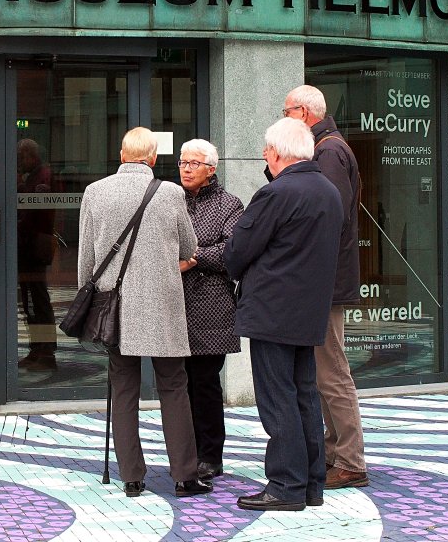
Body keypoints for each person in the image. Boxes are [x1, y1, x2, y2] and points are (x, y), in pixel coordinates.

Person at [77, 127, 212, 499]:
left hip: (115, 306)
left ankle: (132, 477)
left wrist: (89, 295)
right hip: (163, 305)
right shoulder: (170, 193)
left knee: (123, 388)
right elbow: (190, 246)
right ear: (153, 158)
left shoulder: (95, 192)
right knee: (174, 387)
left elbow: (86, 258)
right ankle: (185, 476)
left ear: (122, 155)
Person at [225, 117, 343, 511]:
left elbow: (238, 249)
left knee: (277, 400)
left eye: (266, 151)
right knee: (304, 396)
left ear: (276, 152)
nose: (264, 156)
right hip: (310, 311)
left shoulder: (277, 193)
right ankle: (311, 485)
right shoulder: (328, 191)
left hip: (274, 311)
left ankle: (285, 486)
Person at [283, 85, 368, 489]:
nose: (282, 117)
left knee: (331, 372)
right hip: (324, 280)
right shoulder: (323, 148)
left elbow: (325, 216)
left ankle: (349, 460)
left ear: (303, 113)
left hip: (325, 283)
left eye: (285, 110)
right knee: (324, 371)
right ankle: (338, 454)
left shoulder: (329, 152)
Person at [177, 138, 243, 483]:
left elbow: (233, 251)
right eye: (183, 163)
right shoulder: (169, 200)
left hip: (212, 309)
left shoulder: (229, 204)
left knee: (204, 382)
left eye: (194, 163)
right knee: (179, 383)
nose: (186, 169)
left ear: (211, 169)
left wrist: (193, 258)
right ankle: (184, 451)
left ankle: (210, 455)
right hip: (173, 305)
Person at [16, 139, 58, 371]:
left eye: (22, 157)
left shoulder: (42, 175)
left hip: (33, 245)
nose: (20, 162)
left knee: (37, 298)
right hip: (28, 245)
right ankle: (37, 348)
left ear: (31, 156)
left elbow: (34, 211)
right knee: (30, 298)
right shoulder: (34, 175)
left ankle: (46, 351)